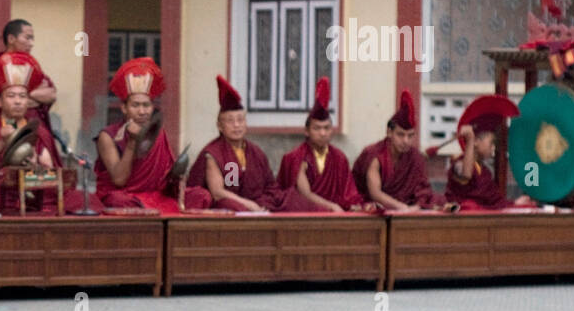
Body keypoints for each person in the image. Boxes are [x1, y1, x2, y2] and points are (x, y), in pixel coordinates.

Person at [184, 76, 320, 212]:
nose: (236, 125)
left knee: (292, 198)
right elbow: (218, 193)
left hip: (255, 201)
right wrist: (249, 205)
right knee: (234, 206)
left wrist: (266, 201)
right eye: (230, 121)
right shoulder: (214, 153)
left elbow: (271, 187)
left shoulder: (255, 151)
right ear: (220, 126)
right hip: (226, 204)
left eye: (240, 120)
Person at [0, 51, 78, 214]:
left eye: (22, 96)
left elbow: (49, 169)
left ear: (28, 102)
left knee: (77, 199)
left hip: (32, 189)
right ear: (0, 102)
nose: (17, 101)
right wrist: (2, 142)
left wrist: (35, 164)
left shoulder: (38, 131)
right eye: (11, 96)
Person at [94, 58, 184, 214]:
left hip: (156, 195)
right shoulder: (108, 136)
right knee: (118, 202)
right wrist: (132, 143)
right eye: (135, 105)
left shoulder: (158, 133)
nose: (142, 112)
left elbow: (166, 178)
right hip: (126, 196)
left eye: (146, 105)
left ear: (152, 107)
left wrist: (178, 176)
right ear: (124, 108)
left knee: (200, 195)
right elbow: (119, 180)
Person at [277, 77, 368, 212]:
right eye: (317, 128)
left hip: (336, 215)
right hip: (306, 214)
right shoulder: (296, 157)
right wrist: (331, 207)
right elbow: (304, 194)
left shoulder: (339, 157)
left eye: (326, 128)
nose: (323, 133)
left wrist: (357, 205)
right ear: (307, 131)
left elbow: (348, 193)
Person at [351, 90, 447, 211]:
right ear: (389, 132)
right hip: (378, 206)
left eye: (410, 136)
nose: (406, 141)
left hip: (407, 207)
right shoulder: (374, 155)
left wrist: (415, 208)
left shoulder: (415, 157)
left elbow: (423, 193)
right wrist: (402, 208)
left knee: (439, 201)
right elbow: (375, 193)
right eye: (400, 135)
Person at [0, 20, 60, 162]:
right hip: (6, 128)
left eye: (33, 39)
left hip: (34, 127)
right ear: (11, 39)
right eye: (27, 38)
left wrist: (20, 92)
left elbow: (51, 94)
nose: (31, 43)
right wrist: (28, 94)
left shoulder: (32, 68)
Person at [445, 95, 534, 210]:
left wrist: (515, 203)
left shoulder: (484, 171)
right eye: (491, 142)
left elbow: (495, 203)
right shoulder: (459, 163)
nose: (493, 147)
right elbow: (465, 175)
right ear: (476, 141)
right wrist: (470, 139)